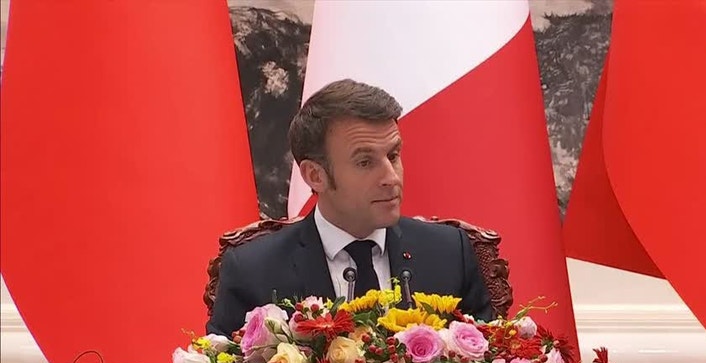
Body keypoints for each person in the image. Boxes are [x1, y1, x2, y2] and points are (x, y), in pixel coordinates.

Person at [206, 79, 493, 336]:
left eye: (393, 155)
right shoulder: (253, 273)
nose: (391, 178)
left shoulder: (449, 254)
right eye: (365, 162)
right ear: (315, 175)